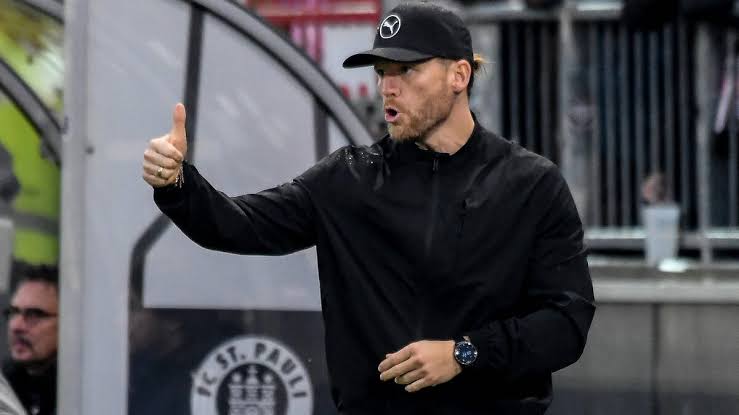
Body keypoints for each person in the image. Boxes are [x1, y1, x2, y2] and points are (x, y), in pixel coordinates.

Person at [142, 3, 595, 414]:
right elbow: (237, 225)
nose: (387, 87)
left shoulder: (532, 185)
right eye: (381, 72)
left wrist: (464, 353)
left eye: (406, 70)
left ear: (459, 76)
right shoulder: (348, 179)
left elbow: (567, 322)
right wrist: (177, 182)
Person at [2, 262, 57, 415]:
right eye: (14, 312)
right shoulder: (6, 388)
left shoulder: (85, 392)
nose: (16, 326)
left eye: (34, 315)